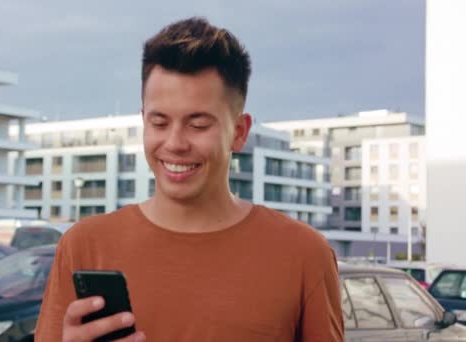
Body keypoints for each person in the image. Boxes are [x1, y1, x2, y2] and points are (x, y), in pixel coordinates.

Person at [36, 17, 343, 341]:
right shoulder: (83, 245)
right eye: (159, 122)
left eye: (198, 125)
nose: (175, 143)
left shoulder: (304, 254)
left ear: (239, 133)